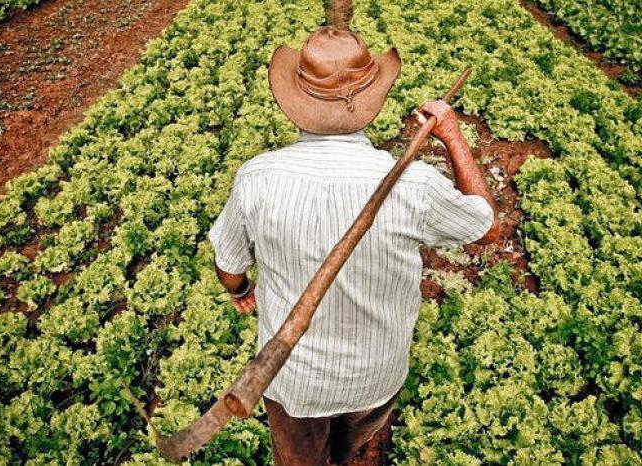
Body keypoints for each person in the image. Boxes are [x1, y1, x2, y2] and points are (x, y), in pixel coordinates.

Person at [207, 24, 499, 466]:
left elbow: (229, 265)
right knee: (355, 446)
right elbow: (485, 225)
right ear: (372, 102)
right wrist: (453, 137)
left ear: (295, 103)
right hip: (375, 376)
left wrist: (241, 291)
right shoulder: (414, 185)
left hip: (293, 383)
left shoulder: (257, 179)